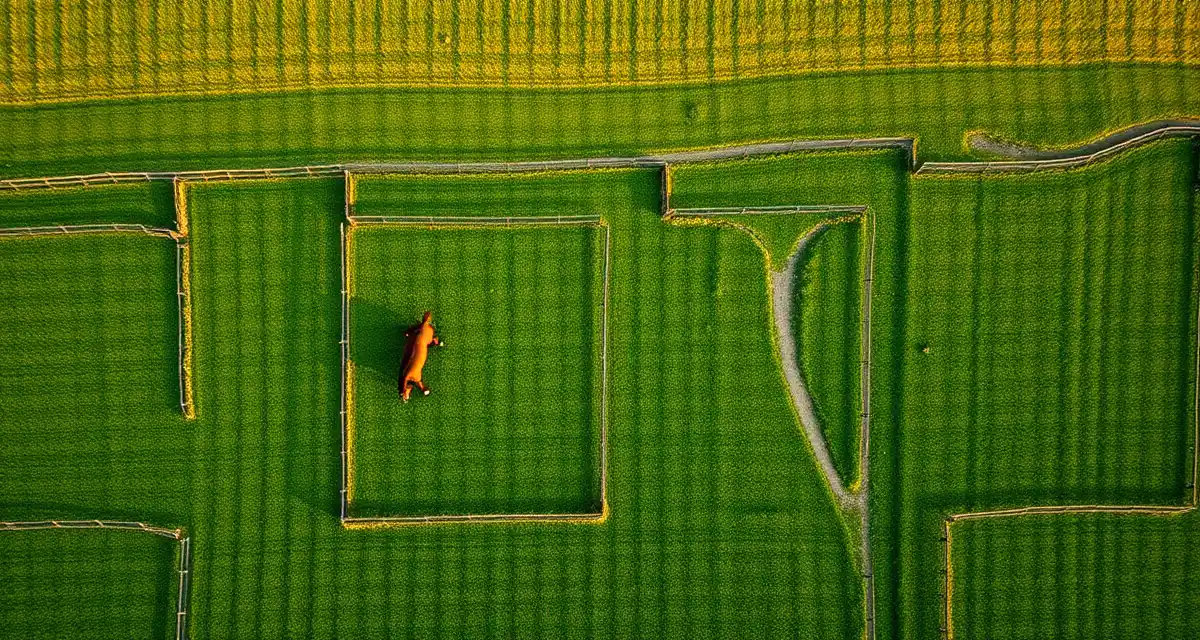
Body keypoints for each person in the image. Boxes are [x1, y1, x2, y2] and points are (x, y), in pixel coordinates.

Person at [398, 311, 444, 402]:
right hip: (421, 343)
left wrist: (403, 391)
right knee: (421, 340)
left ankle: (435, 341)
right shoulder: (416, 377)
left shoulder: (410, 374)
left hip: (421, 341)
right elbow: (416, 382)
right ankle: (435, 341)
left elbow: (405, 379)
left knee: (420, 339)